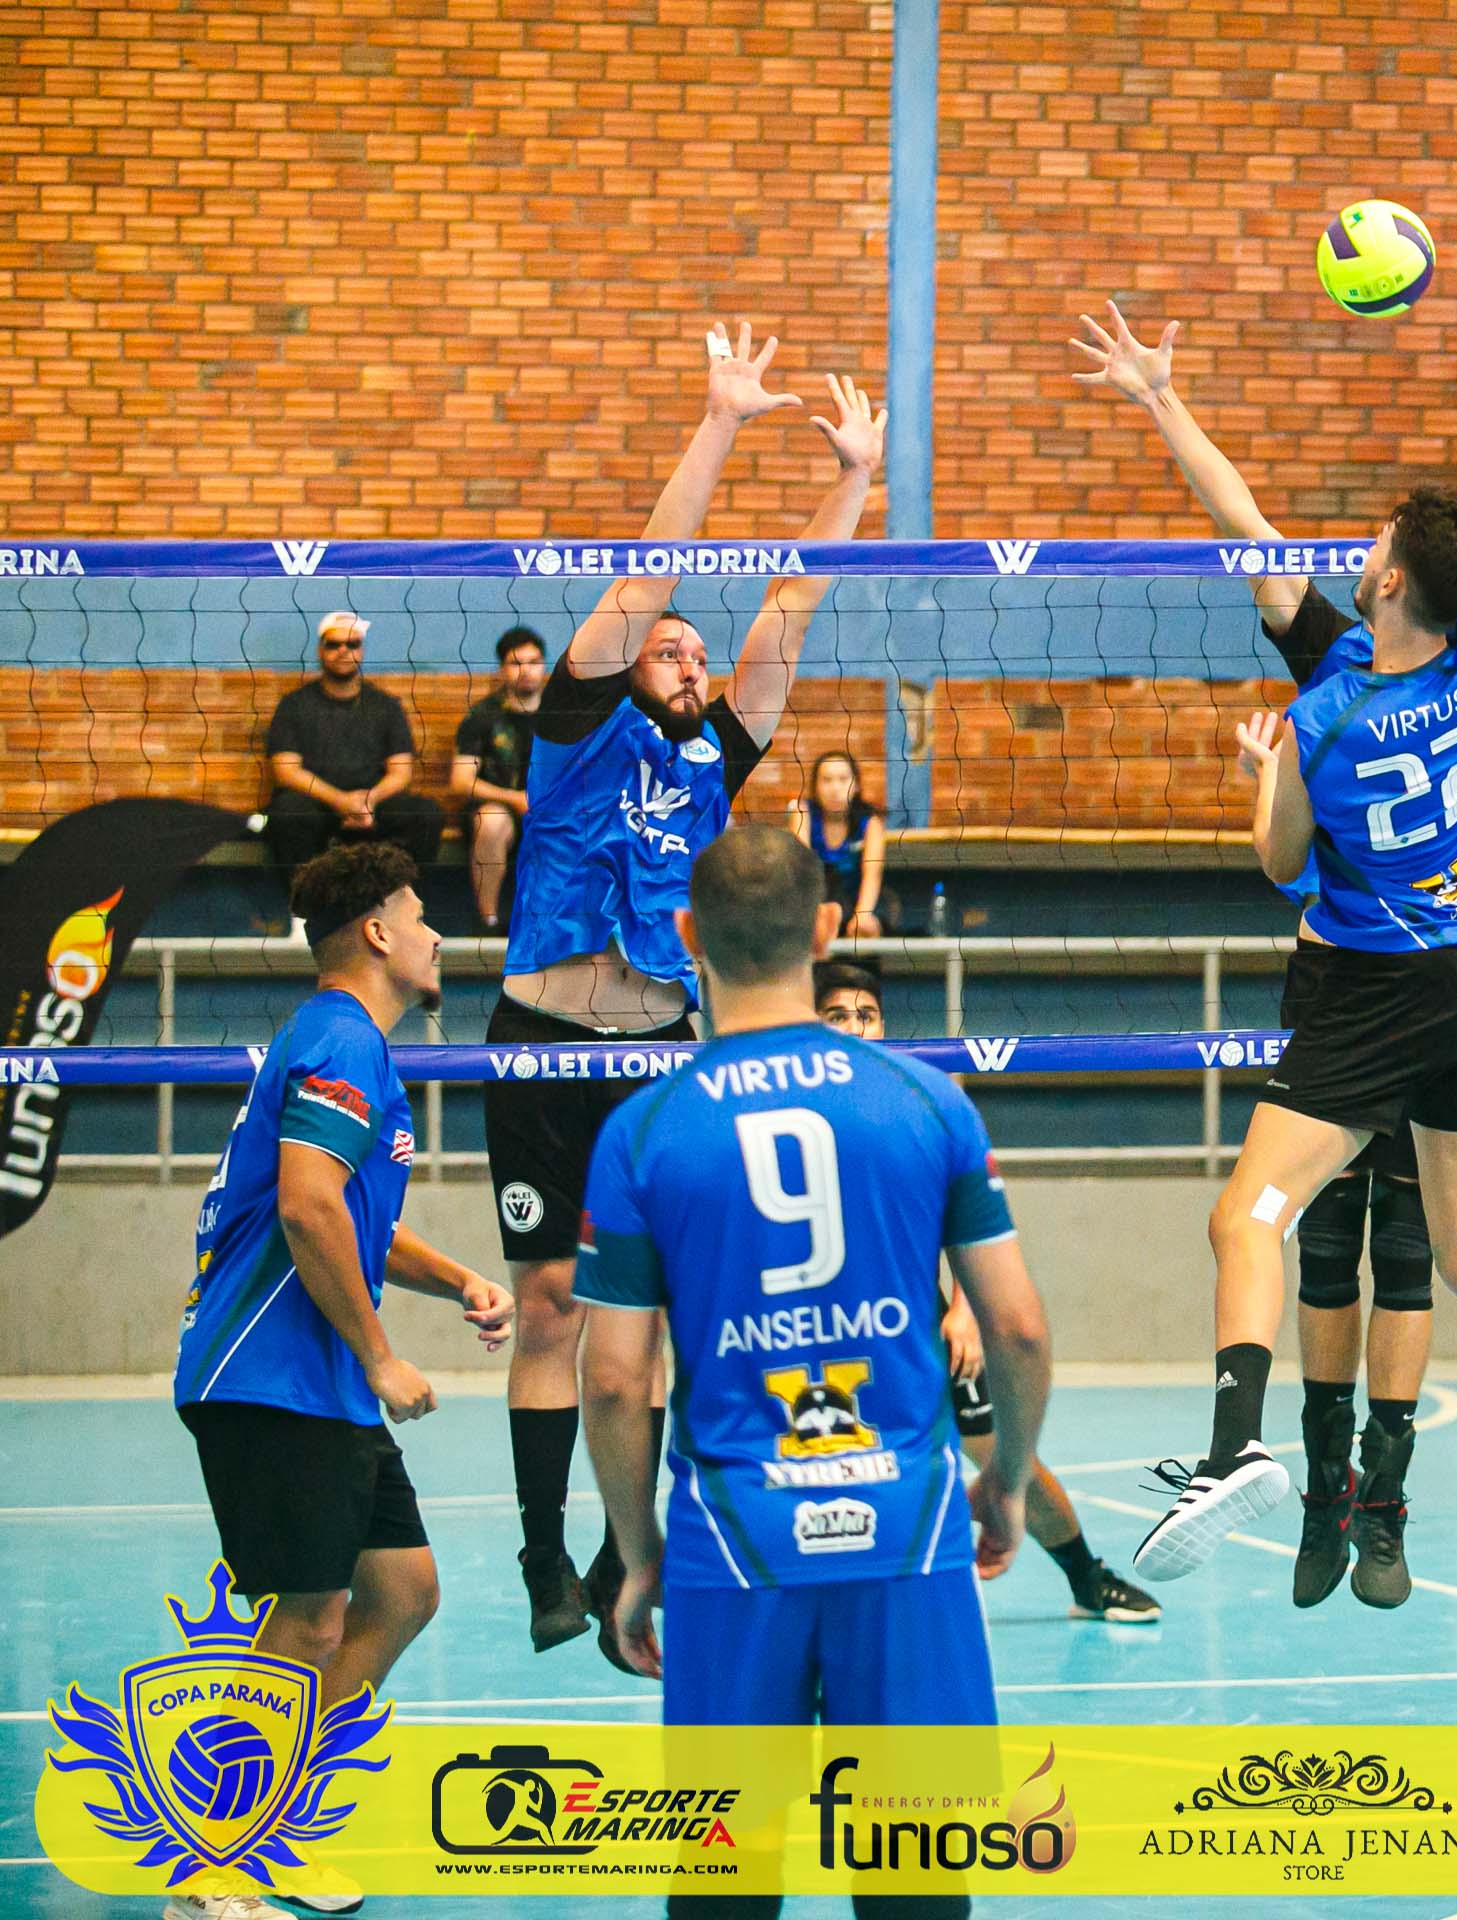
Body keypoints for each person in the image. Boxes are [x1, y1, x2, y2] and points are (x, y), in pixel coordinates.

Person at [1076, 309, 1457, 1626]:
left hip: (1374, 990)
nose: (1364, 546)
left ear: (1385, 584)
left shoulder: (1325, 715)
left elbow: (1279, 862)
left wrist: (1270, 770)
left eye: (1379, 541)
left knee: (1246, 1220)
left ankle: (1237, 1451)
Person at [484, 328, 887, 1665]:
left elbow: (792, 609)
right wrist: (720, 421)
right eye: (667, 649)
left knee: (643, 1316)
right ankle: (543, 1556)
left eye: (697, 655)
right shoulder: (574, 729)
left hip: (661, 1051)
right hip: (540, 1043)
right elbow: (647, 574)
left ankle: (624, 1548)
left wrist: (852, 480)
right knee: (550, 1303)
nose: (689, 657)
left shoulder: (716, 752)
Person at [579, 828, 1051, 1920]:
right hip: (907, 1525)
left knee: (727, 1875)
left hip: (733, 1536)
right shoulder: (927, 1100)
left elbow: (611, 1381)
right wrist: (1008, 1482)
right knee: (915, 1873)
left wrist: (640, 1556)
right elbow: (1018, 1330)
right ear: (827, 929)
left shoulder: (643, 1131)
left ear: (686, 935)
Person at [170, 843, 513, 1920]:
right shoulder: (340, 1038)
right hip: (271, 1371)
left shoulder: (347, 1044)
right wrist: (379, 1353)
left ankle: (265, 1827)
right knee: (310, 1619)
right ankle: (213, 1868)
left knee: (402, 1591)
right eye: (420, 915)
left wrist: (456, 1278)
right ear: (376, 932)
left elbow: (355, 1216)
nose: (436, 935)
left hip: (311, 1380)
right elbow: (308, 1206)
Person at [814, 959, 1159, 1623]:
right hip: (821, 1329)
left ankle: (1087, 1577)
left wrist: (967, 1311)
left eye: (867, 1015)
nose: (856, 1028)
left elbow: (965, 1221)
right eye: (837, 1016)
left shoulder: (916, 1104)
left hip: (916, 1317)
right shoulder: (779, 1109)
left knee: (1003, 1455)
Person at [263, 611, 446, 889]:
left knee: (426, 814)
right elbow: (286, 772)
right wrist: (341, 801)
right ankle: (302, 906)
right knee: (287, 812)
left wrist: (368, 801)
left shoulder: (386, 706)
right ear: (320, 650)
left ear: (361, 650)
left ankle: (403, 901)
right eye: (333, 644)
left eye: (352, 644)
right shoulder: (294, 705)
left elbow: (401, 772)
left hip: (373, 804)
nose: (343, 651)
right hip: (318, 803)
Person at [450, 626, 548, 932]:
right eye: (516, 663)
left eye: (534, 662)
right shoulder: (482, 717)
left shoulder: (560, 716)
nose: (526, 671)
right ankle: (488, 920)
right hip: (498, 807)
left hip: (549, 806)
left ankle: (558, 921)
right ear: (502, 669)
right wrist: (514, 799)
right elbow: (461, 781)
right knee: (491, 821)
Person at [789, 749, 890, 937]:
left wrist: (862, 915)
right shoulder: (803, 813)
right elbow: (802, 872)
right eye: (827, 780)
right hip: (814, 903)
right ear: (816, 787)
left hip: (857, 902)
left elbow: (872, 875)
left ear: (856, 785)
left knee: (867, 928)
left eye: (843, 779)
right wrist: (815, 915)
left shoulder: (870, 821)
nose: (835, 788)